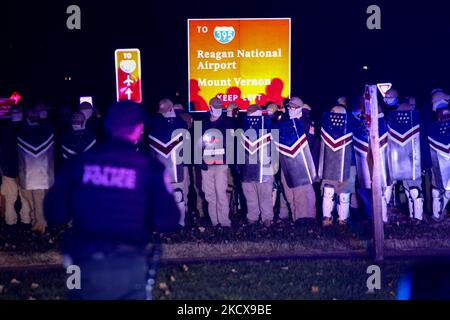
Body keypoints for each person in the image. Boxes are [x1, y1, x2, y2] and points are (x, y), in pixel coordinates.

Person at [44, 101, 180, 300]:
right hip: (128, 262)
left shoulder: (79, 163)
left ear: (107, 126)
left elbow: (54, 213)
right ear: (138, 128)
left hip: (81, 263)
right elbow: (168, 220)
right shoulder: (149, 167)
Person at [272, 97, 318, 225]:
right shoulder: (284, 121)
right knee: (288, 189)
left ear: (300, 109)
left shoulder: (306, 122)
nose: (290, 109)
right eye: (289, 107)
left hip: (301, 161)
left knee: (302, 191)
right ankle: (295, 215)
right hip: (286, 160)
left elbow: (309, 142)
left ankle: (303, 217)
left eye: (293, 107)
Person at [147, 99, 187, 226]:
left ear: (171, 109)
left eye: (165, 111)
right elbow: (151, 147)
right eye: (161, 111)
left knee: (179, 193)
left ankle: (181, 223)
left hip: (178, 164)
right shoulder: (155, 124)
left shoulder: (181, 123)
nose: (163, 114)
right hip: (162, 164)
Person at [17, 104, 55, 233]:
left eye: (39, 112)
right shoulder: (23, 128)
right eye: (34, 112)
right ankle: (36, 222)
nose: (36, 115)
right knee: (31, 200)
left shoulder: (46, 128)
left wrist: (44, 120)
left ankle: (40, 226)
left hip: (41, 173)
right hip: (28, 173)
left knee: (40, 200)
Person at [386, 97, 424, 222]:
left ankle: (416, 217)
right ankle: (415, 217)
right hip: (404, 160)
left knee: (412, 190)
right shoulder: (392, 121)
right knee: (411, 191)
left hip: (406, 160)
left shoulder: (390, 121)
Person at [318, 105, 356, 226]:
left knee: (342, 193)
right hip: (332, 163)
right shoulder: (325, 127)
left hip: (348, 164)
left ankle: (340, 219)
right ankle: (329, 218)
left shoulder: (352, 125)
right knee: (329, 191)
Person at [200, 97, 234, 227]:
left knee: (221, 193)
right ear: (210, 107)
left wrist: (230, 160)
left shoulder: (227, 123)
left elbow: (231, 143)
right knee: (209, 195)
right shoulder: (203, 123)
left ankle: (225, 222)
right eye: (216, 107)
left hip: (221, 164)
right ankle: (215, 222)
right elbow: (198, 143)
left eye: (220, 108)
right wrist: (199, 160)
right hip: (207, 165)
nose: (218, 110)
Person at [239, 104, 274, 226]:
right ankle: (252, 217)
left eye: (252, 112)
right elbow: (239, 147)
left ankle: (267, 218)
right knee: (250, 193)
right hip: (247, 166)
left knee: (265, 193)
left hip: (264, 166)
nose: (249, 114)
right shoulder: (242, 126)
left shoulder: (269, 123)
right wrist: (239, 166)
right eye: (248, 111)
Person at [0, 105, 31, 230]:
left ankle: (12, 223)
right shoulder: (26, 129)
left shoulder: (5, 129)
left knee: (12, 198)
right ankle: (24, 221)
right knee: (22, 198)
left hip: (12, 169)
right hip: (19, 169)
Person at [427, 89, 450, 221]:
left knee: (438, 187)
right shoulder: (432, 124)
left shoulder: (431, 123)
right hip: (436, 157)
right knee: (439, 187)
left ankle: (438, 213)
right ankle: (438, 213)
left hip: (436, 158)